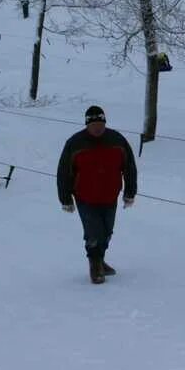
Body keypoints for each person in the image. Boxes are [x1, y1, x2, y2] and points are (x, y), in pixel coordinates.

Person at [57, 105, 138, 284]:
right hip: (85, 196)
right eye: (93, 124)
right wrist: (65, 198)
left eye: (100, 124)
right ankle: (95, 266)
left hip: (110, 195)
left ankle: (99, 260)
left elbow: (129, 167)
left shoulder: (117, 140)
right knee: (94, 232)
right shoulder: (75, 143)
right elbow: (64, 171)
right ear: (87, 124)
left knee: (107, 232)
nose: (97, 128)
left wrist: (130, 192)